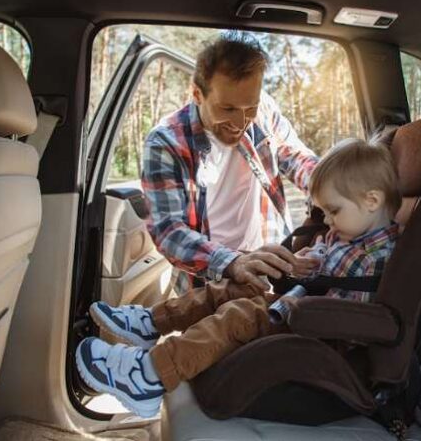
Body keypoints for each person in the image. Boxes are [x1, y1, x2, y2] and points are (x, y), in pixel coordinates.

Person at [76, 139, 402, 417]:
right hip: (301, 307)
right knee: (235, 290)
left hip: (320, 333)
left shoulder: (379, 256)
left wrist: (301, 301)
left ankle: (149, 376)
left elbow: (350, 317)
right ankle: (152, 322)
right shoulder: (348, 234)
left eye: (333, 211)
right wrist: (307, 262)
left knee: (240, 316)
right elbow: (329, 263)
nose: (327, 221)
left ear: (372, 200)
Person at [140, 31, 319, 294]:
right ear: (198, 94)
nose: (240, 124)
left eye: (251, 107)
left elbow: (297, 159)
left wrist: (333, 186)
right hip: (205, 281)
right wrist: (232, 262)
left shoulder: (264, 111)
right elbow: (168, 231)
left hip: (268, 268)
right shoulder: (165, 142)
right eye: (228, 109)